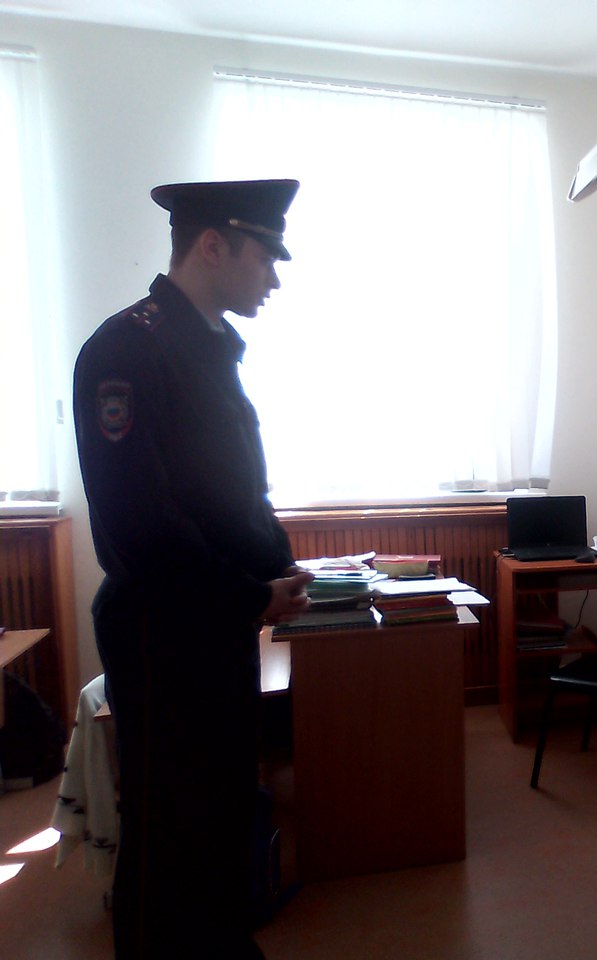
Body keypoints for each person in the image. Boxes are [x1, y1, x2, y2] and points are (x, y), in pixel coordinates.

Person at [73, 179, 314, 960]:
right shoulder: (127, 350)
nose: (274, 278)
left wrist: (279, 565)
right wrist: (250, 595)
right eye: (265, 258)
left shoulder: (210, 348)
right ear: (212, 245)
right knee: (168, 828)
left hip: (217, 623)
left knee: (220, 810)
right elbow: (141, 527)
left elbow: (236, 490)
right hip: (163, 631)